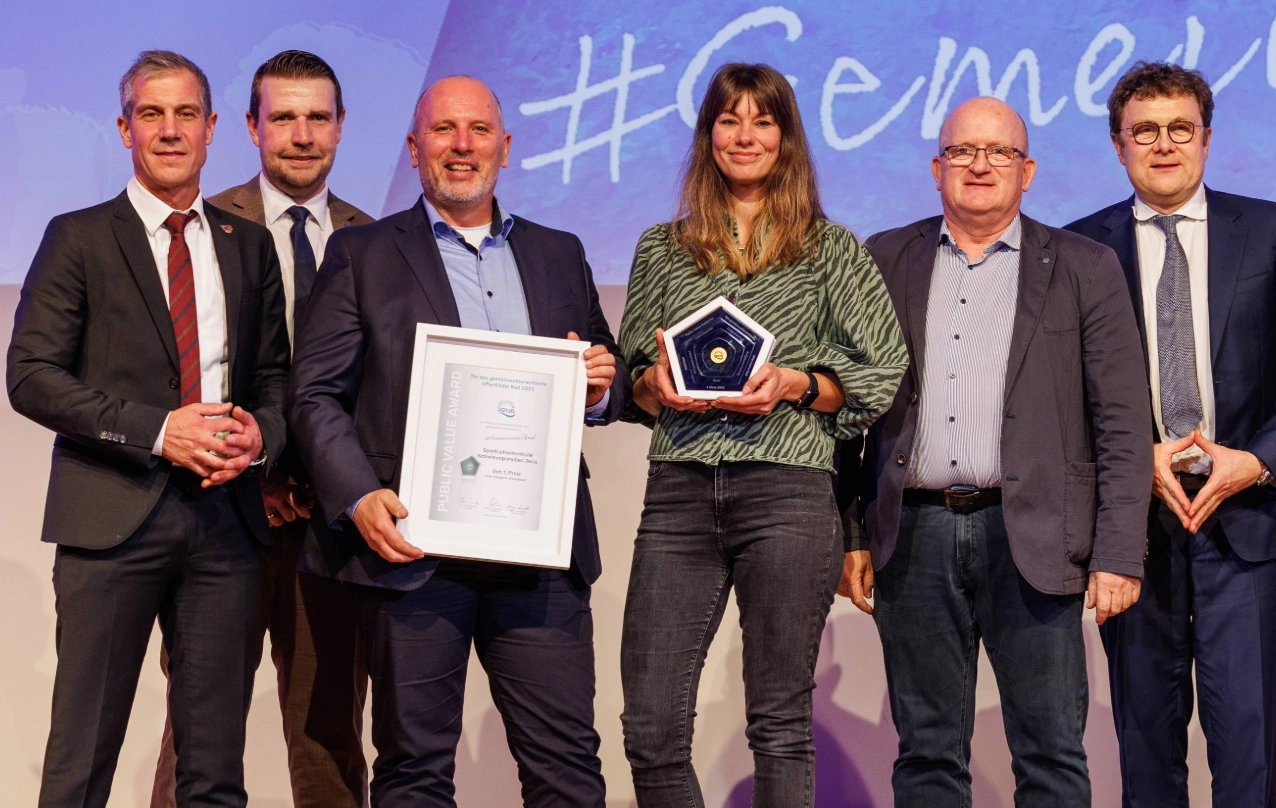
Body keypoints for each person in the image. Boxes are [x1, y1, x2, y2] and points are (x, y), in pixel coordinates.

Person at [290, 75, 626, 807]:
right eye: (444, 130)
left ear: (506, 146)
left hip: (539, 554)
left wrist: (600, 387)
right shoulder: (361, 253)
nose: (462, 145)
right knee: (413, 769)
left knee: (567, 768)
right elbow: (313, 395)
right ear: (415, 149)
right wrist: (357, 496)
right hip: (415, 551)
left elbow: (608, 371)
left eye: (478, 130)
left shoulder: (559, 252)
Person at [836, 95, 1151, 807]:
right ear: (936, 167)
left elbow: (1123, 422)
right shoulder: (882, 258)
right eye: (962, 151)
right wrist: (850, 531)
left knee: (1050, 754)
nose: (980, 165)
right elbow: (848, 407)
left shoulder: (1084, 265)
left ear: (1027, 170)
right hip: (912, 536)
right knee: (926, 753)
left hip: (1036, 534)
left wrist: (1117, 552)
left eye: (999, 151)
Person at [616, 62, 907, 808]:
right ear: (708, 134)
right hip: (679, 490)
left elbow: (882, 370)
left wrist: (795, 384)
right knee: (650, 727)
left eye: (763, 121)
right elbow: (632, 374)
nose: (745, 136)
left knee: (778, 725)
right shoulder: (662, 247)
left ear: (787, 137)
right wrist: (655, 386)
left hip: (788, 491)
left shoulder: (830, 249)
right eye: (729, 119)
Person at [8, 50, 289, 808]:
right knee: (81, 765)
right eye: (152, 114)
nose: (170, 130)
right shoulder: (78, 236)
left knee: (214, 773)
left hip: (226, 527)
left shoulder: (248, 244)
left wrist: (260, 437)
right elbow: (31, 376)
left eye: (186, 113)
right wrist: (160, 431)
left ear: (212, 128)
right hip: (110, 522)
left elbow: (273, 378)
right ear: (124, 128)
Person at [1065, 62, 1276, 808]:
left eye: (1180, 129)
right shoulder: (1080, 248)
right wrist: (1133, 462)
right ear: (1118, 145)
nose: (1164, 145)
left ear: (1207, 139)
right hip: (1134, 528)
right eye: (1145, 131)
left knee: (1247, 746)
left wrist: (1254, 461)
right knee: (1146, 748)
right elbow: (1065, 392)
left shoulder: (1271, 229)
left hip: (1248, 517)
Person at [148, 49, 374, 808]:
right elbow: (180, 372)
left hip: (333, 528)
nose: (301, 135)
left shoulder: (378, 239)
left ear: (340, 127)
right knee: (198, 733)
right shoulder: (199, 228)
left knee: (330, 738)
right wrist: (257, 472)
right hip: (222, 518)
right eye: (283, 118)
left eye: (317, 118)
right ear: (250, 126)